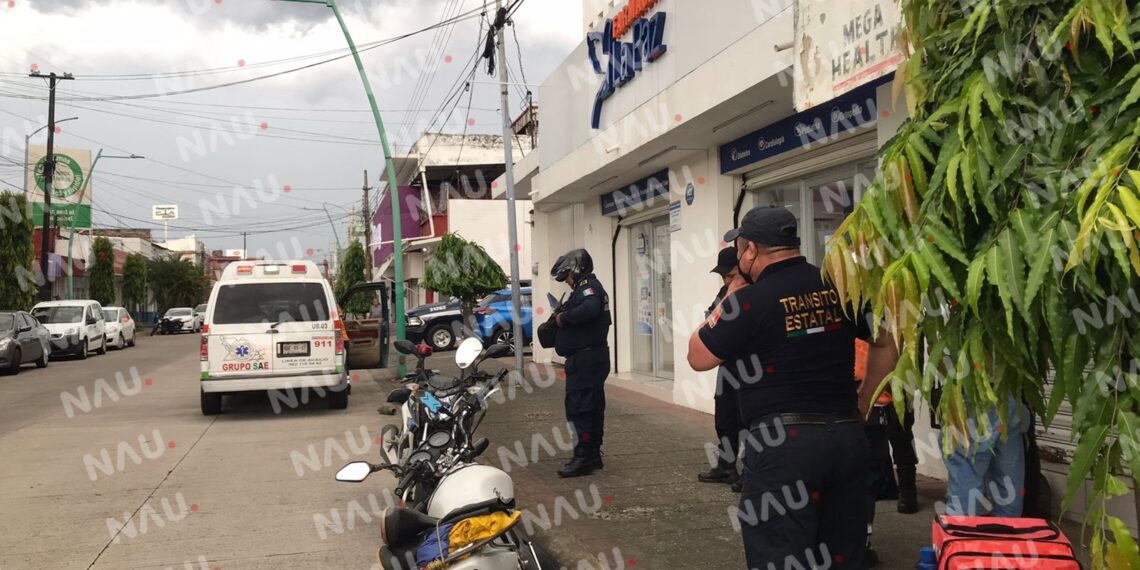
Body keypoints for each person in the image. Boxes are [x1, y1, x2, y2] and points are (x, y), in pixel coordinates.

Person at [686, 206, 899, 569]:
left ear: (751, 249)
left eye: (740, 250)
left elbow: (698, 355)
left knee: (780, 553)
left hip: (783, 447)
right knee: (843, 554)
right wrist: (864, 401)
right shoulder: (838, 288)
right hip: (846, 438)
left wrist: (728, 297)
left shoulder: (748, 300)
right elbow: (888, 340)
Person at [551, 249, 612, 478]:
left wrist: (562, 318)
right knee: (592, 408)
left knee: (580, 410)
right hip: (589, 358)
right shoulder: (588, 288)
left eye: (567, 276)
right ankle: (592, 454)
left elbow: (589, 309)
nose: (566, 281)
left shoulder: (589, 288)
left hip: (586, 360)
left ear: (576, 270)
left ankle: (583, 457)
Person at [697, 246, 746, 491]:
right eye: (723, 275)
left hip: (750, 366)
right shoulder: (725, 291)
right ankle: (726, 466)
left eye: (730, 274)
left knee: (747, 420)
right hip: (727, 364)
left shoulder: (755, 289)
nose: (726, 279)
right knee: (725, 419)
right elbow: (711, 318)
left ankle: (751, 471)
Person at [942, 396, 1029, 517]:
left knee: (966, 473)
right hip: (1008, 397)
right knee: (1008, 483)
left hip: (973, 397)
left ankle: (963, 532)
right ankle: (1006, 531)